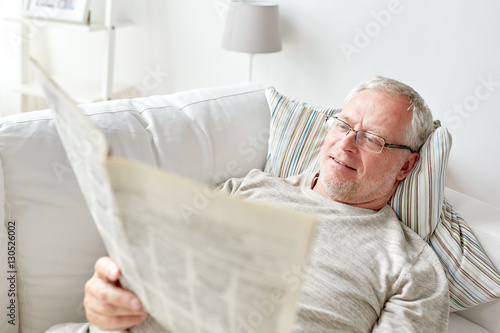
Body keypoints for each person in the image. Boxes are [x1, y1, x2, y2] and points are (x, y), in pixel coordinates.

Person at [81, 76, 450, 332]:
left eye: (372, 139)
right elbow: (145, 263)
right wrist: (107, 297)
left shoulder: (411, 267)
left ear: (406, 165)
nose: (346, 144)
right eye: (343, 125)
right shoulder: (247, 188)